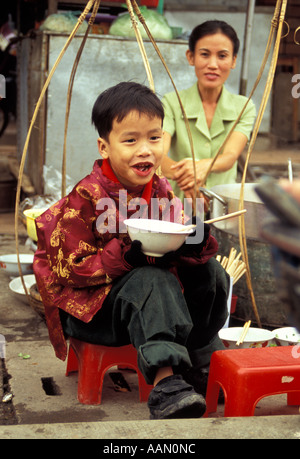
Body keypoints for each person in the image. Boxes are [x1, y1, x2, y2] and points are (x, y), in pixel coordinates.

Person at [33, 82, 229, 420]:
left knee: (211, 272)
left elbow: (181, 249)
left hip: (152, 311)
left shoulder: (162, 190)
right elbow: (72, 269)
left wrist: (195, 240)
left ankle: (198, 360)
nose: (145, 150)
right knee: (151, 279)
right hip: (94, 313)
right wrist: (125, 256)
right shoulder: (86, 198)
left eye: (154, 138)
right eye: (130, 140)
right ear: (104, 146)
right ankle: (166, 386)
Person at [162, 20, 256, 202]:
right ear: (191, 57)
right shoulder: (171, 102)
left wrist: (204, 166)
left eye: (222, 56)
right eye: (204, 54)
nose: (213, 64)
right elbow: (158, 156)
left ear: (234, 60)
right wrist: (192, 180)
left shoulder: (244, 107)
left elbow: (229, 157)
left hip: (225, 205)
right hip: (177, 205)